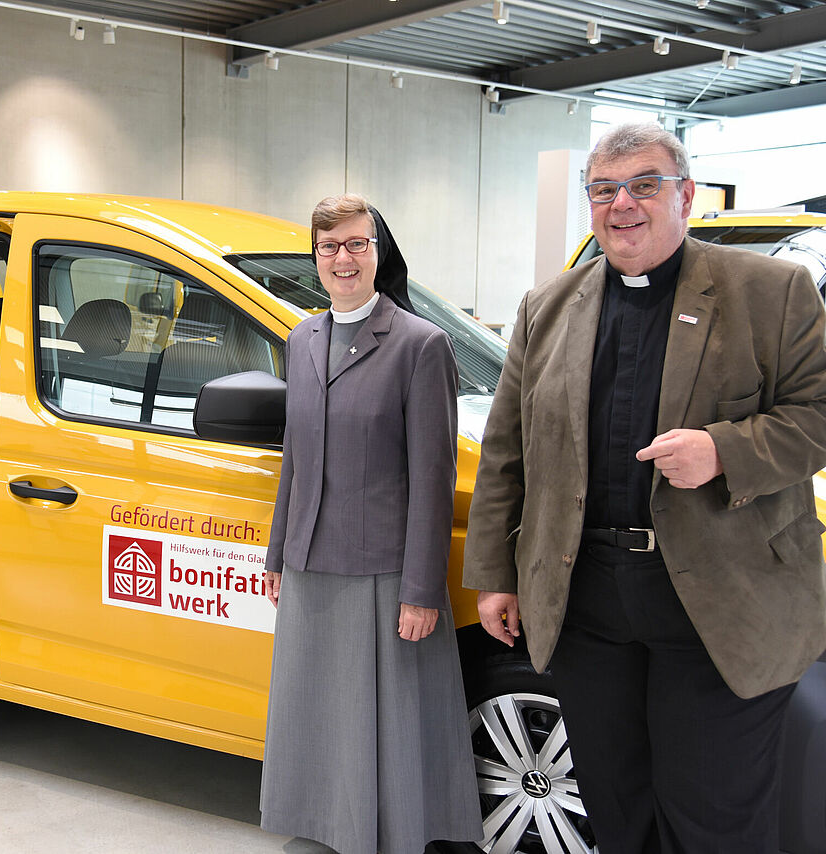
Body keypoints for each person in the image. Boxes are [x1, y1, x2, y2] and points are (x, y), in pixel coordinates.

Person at [464, 122, 826, 853]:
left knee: (713, 814)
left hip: (721, 603)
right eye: (603, 190)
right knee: (616, 802)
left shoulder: (771, 291)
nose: (622, 204)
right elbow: (508, 451)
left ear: (685, 196)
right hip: (590, 603)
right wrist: (497, 575)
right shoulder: (547, 307)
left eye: (644, 185)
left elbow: (818, 413)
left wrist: (725, 450)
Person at [260, 194, 482, 854]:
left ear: (379, 253)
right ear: (316, 259)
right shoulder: (302, 339)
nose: (342, 258)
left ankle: (386, 833)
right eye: (329, 247)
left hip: (384, 567)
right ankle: (327, 823)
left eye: (356, 244)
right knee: (319, 705)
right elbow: (294, 460)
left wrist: (421, 589)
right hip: (309, 558)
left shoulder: (421, 345)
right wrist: (276, 555)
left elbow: (432, 478)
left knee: (382, 714)